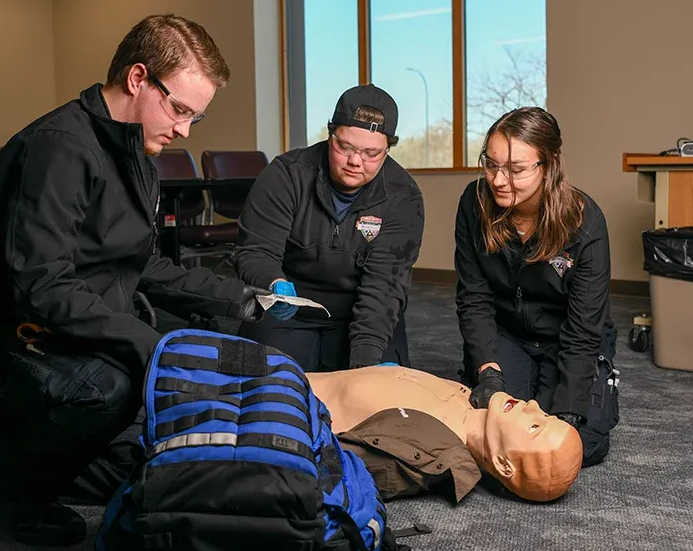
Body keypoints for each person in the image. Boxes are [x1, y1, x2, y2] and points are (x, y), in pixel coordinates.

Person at [0, 14, 275, 547]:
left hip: (63, 333)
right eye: (180, 109)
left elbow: (144, 262)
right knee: (112, 389)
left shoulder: (135, 150)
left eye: (194, 119)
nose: (183, 129)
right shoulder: (58, 148)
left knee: (130, 440)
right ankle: (7, 482)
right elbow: (42, 286)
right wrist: (153, 347)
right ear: (138, 79)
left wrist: (239, 298)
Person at [454, 106, 618, 469]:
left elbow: (584, 329)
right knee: (490, 429)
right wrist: (487, 368)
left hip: (568, 336)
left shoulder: (585, 220)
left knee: (576, 444)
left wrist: (567, 411)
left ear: (549, 166)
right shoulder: (474, 202)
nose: (498, 180)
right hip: (507, 333)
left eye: (515, 170)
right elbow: (474, 298)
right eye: (491, 164)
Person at [234, 84, 425, 371]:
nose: (355, 161)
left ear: (388, 149)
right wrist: (273, 284)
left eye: (371, 153)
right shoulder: (286, 174)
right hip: (290, 308)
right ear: (329, 134)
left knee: (379, 395)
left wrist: (364, 367)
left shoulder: (403, 196)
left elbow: (383, 288)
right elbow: (256, 250)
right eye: (345, 146)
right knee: (265, 385)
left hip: (364, 313)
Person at [306, 365, 583, 503]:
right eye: (545, 415)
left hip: (275, 392)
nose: (533, 406)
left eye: (535, 426)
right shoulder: (469, 401)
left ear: (502, 463)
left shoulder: (423, 448)